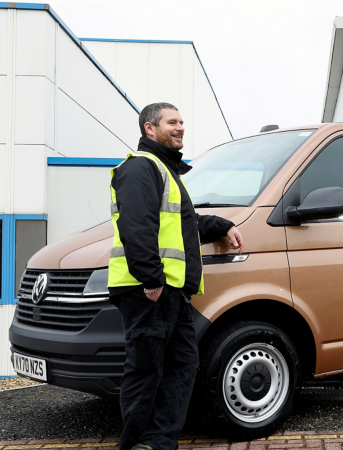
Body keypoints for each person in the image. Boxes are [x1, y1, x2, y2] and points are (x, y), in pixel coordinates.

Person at [108, 102, 245, 450]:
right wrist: (151, 279)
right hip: (150, 291)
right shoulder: (141, 167)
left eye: (182, 121)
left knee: (182, 365)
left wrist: (223, 226)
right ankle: (137, 444)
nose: (180, 127)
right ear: (149, 129)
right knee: (146, 371)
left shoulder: (167, 172)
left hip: (171, 293)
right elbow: (136, 226)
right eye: (172, 122)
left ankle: (158, 444)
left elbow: (185, 225)